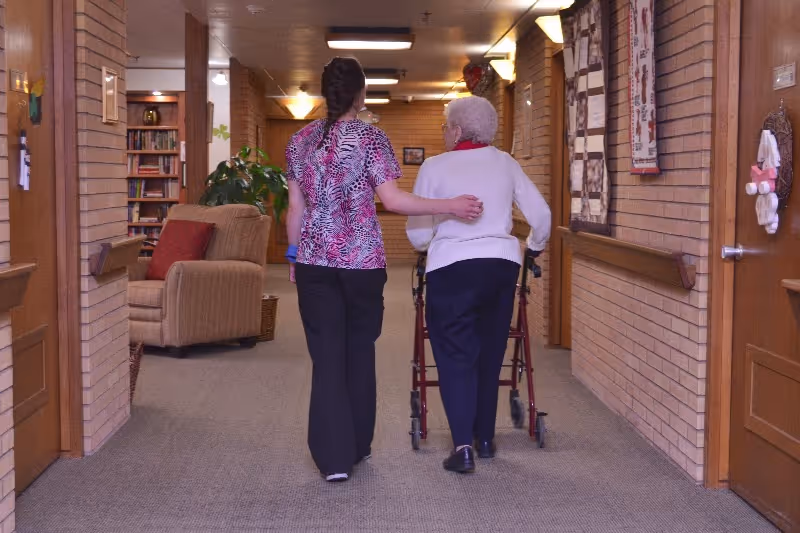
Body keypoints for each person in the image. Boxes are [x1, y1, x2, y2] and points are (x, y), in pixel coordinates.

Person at [284, 57, 484, 482]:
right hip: (361, 262)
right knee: (358, 350)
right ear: (360, 94)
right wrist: (449, 205)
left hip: (314, 261)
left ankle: (333, 461)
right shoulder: (371, 138)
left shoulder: (299, 141)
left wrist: (294, 254)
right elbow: (393, 201)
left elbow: (295, 207)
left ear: (326, 93)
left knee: (326, 357)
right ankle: (357, 446)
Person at [406, 96, 551, 474]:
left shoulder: (435, 166)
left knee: (456, 356)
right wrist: (532, 249)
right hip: (501, 266)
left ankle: (463, 448)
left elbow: (418, 235)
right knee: (490, 353)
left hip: (452, 269)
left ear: (456, 130)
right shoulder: (505, 162)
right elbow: (542, 215)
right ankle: (486, 439)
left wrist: (432, 240)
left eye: (444, 127)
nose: (443, 133)